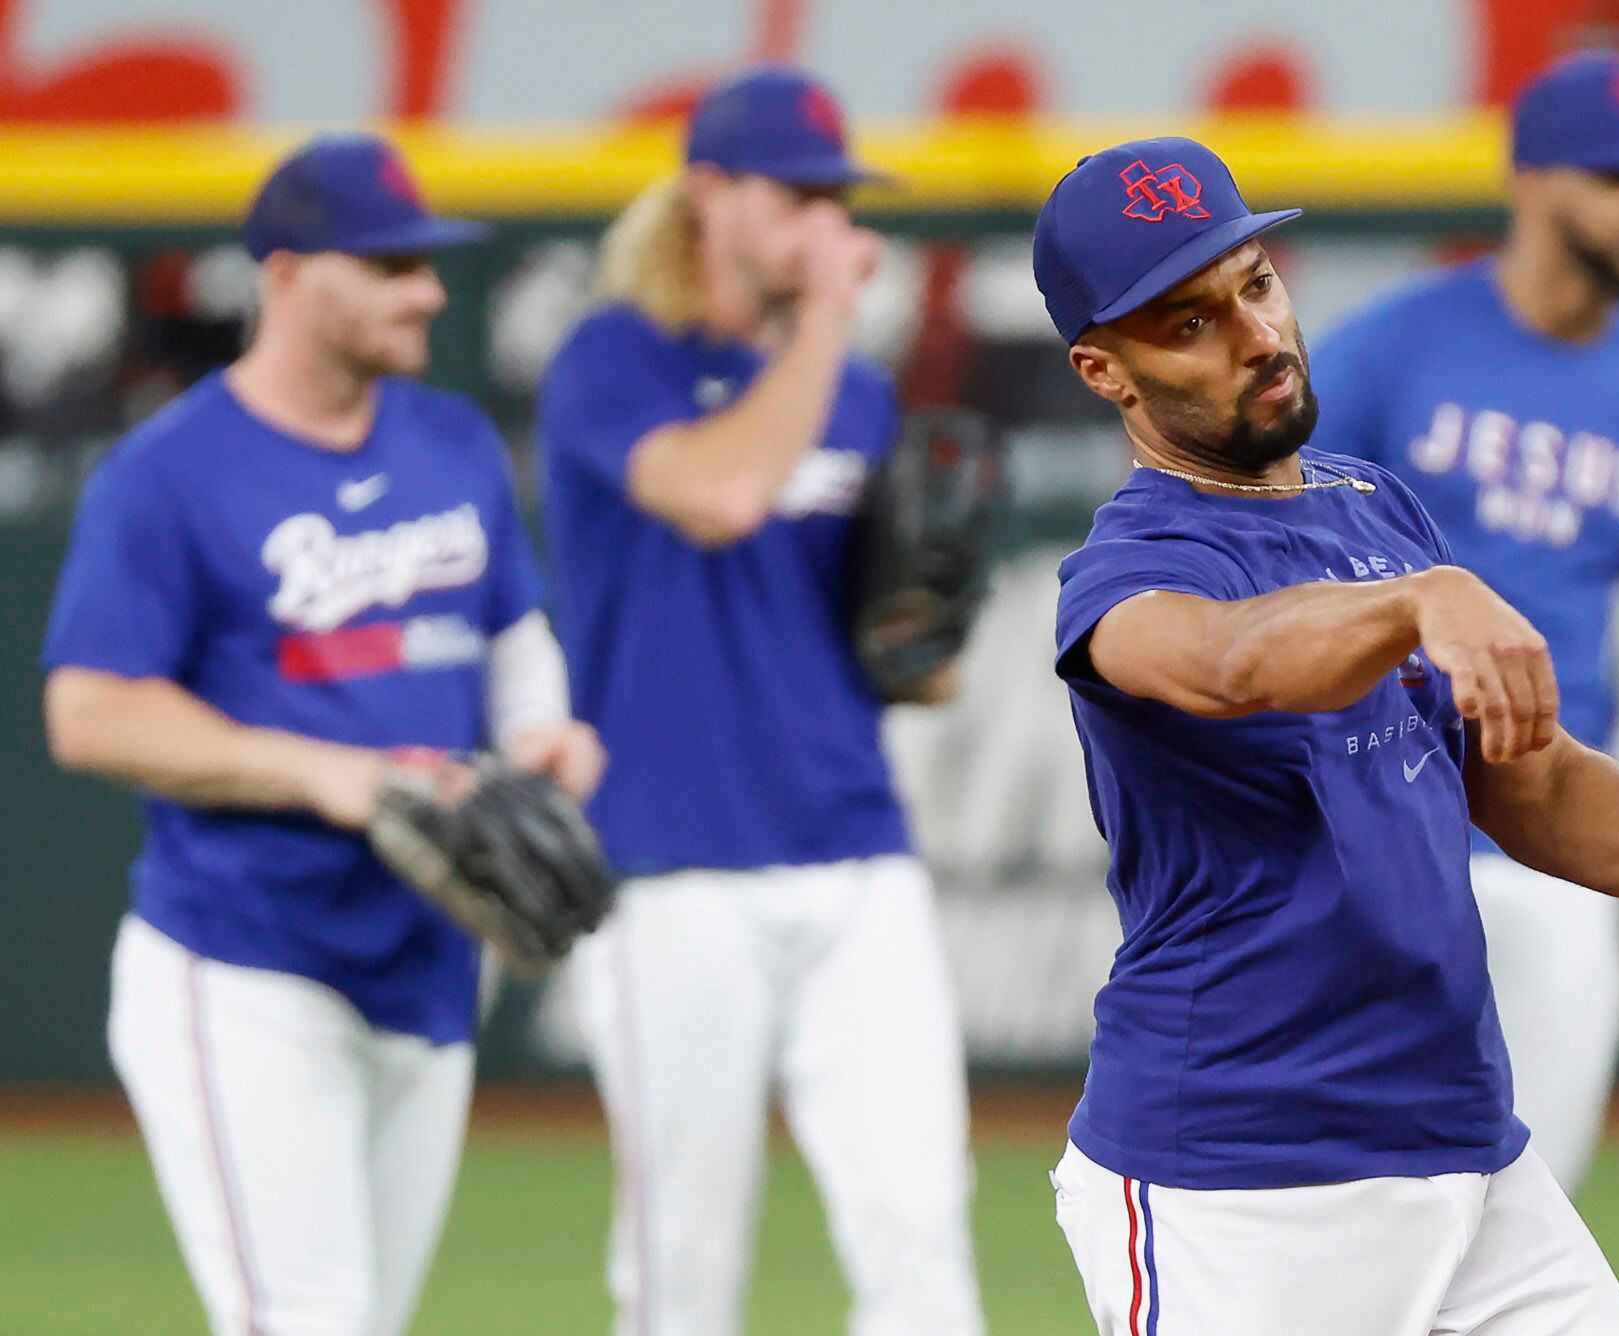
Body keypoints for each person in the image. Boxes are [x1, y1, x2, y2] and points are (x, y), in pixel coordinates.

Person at [1031, 134, 1619, 1334]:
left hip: (1469, 1157)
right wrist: (1412, 602)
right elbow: (1231, 661)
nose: (1252, 333)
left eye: (1253, 282)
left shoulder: (1372, 505)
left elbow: (1534, 791)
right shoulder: (1128, 569)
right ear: (1106, 372)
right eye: (1186, 322)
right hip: (1237, 1185)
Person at [40, 132, 604, 1336]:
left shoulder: (451, 442)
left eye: (426, 264)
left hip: (428, 956)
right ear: (288, 275)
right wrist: (327, 774)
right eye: (391, 266)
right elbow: (87, 710)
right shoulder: (167, 472)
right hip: (245, 961)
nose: (428, 293)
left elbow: (513, 629)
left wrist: (541, 731)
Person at [1307, 49, 1619, 1193]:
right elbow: (1272, 553)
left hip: (1555, 851)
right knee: (1352, 1205)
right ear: (1532, 180)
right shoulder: (1391, 352)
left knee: (1523, 1214)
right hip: (1381, 834)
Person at [536, 65, 984, 1336]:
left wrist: (926, 626)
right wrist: (830, 326)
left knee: (918, 1227)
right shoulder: (612, 358)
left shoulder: (853, 390)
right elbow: (718, 492)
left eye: (838, 198)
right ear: (707, 196)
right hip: (672, 860)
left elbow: (903, 658)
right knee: (683, 1262)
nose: (830, 226)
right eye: (799, 196)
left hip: (853, 844)